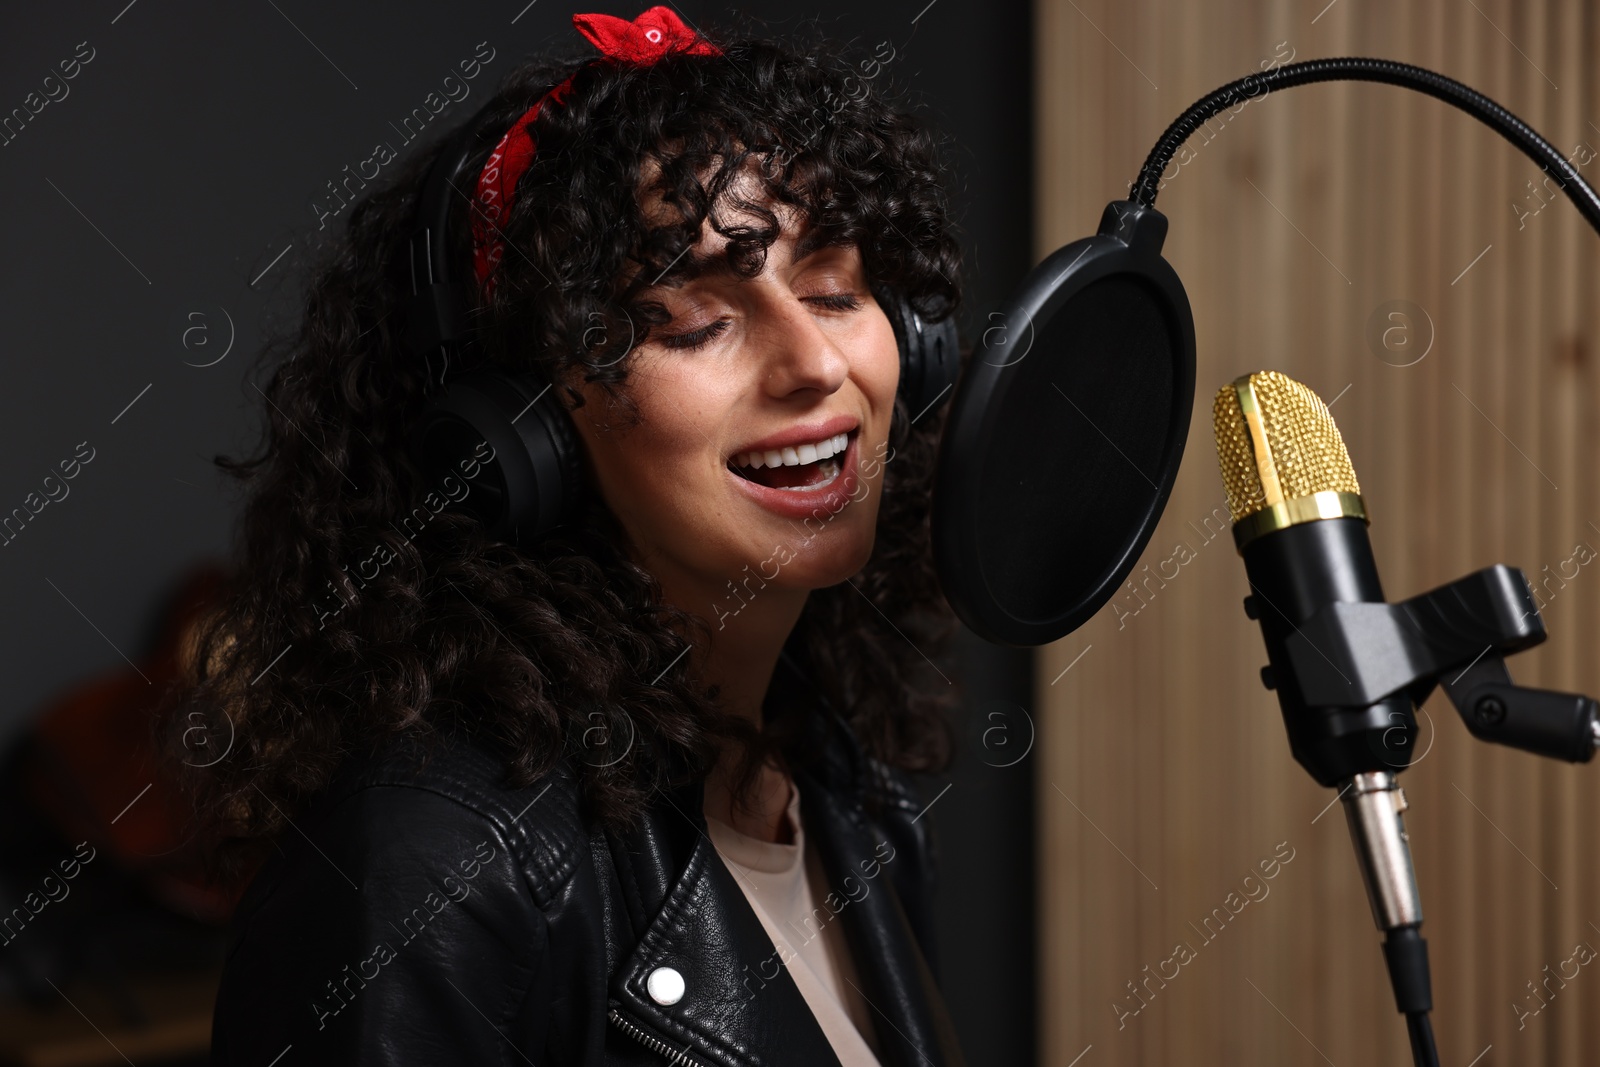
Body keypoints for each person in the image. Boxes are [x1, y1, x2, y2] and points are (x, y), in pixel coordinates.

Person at [163, 7, 969, 1064]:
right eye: (691, 320)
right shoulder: (430, 868)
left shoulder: (844, 789)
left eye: (832, 286)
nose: (815, 363)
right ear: (521, 427)